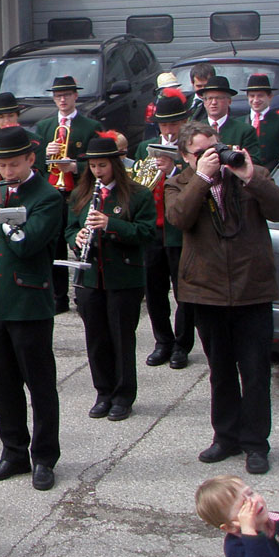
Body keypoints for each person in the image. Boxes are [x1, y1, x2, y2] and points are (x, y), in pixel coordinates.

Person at [165, 122, 279, 475]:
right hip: (207, 294)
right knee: (220, 371)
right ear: (186, 157)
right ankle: (225, 437)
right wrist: (202, 179)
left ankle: (255, 444)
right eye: (201, 153)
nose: (212, 157)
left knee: (255, 372)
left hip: (253, 289)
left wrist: (251, 176)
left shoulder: (249, 175)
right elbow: (178, 218)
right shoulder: (178, 184)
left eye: (215, 148)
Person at [0, 126, 64, 491]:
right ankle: (14, 451)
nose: (5, 172)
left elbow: (25, 243)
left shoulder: (47, 196)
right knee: (4, 384)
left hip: (28, 300)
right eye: (1, 165)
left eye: (13, 164)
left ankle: (45, 456)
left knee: (39, 384)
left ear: (31, 159)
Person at [65, 134, 156, 422]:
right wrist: (77, 238)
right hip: (91, 279)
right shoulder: (82, 195)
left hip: (123, 278)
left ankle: (123, 395)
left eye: (102, 165)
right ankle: (102, 392)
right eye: (92, 166)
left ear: (115, 164)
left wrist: (111, 224)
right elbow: (68, 229)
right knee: (96, 339)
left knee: (121, 338)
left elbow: (146, 233)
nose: (97, 171)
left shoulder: (138, 194)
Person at [33, 75, 104, 314]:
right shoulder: (44, 127)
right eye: (58, 95)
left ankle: (84, 291)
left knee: (80, 242)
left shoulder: (90, 127)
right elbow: (36, 166)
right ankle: (58, 296)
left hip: (78, 193)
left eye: (67, 95)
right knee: (54, 246)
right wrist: (46, 153)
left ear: (75, 96)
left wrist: (75, 167)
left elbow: (100, 163)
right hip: (53, 193)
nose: (62, 99)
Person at [136, 90, 196, 370]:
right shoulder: (144, 147)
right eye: (164, 124)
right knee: (154, 290)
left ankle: (182, 344)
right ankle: (163, 341)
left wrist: (172, 170)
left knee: (183, 290)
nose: (169, 130)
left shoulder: (189, 152)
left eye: (174, 124)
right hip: (151, 230)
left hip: (178, 231)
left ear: (184, 123)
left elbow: (197, 184)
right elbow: (137, 186)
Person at [0, 93, 44, 172]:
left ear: (17, 116)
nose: (6, 121)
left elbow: (39, 172)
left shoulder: (35, 141)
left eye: (11, 116)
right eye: (1, 117)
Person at [244, 74, 279, 170]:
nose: (255, 100)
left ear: (270, 96)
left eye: (260, 96)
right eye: (252, 96)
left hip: (272, 172)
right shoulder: (241, 122)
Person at [198, 76, 260, 156]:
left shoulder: (245, 131)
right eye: (209, 98)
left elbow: (254, 161)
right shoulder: (196, 130)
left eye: (218, 98)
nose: (213, 102)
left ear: (229, 101)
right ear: (204, 102)